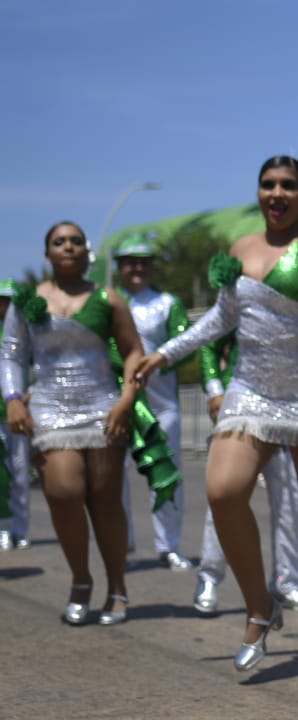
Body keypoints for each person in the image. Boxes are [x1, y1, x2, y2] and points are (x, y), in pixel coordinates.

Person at [134, 156, 298, 680]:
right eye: (267, 185)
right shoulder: (241, 249)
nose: (276, 193)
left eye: (287, 186)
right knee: (223, 490)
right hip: (250, 390)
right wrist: (163, 355)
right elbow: (222, 319)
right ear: (258, 192)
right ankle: (260, 608)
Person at [1, 222, 151, 625]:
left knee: (105, 502)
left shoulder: (109, 298)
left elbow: (134, 352)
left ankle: (117, 587)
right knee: (63, 491)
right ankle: (81, 579)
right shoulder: (26, 301)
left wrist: (126, 401)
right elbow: (12, 355)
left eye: (76, 242)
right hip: (49, 410)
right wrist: (14, 399)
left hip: (103, 409)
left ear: (88, 252)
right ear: (47, 253)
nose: (68, 247)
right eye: (59, 242)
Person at [192, 333, 298, 614]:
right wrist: (215, 390)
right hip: (241, 407)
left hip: (287, 408)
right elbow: (208, 346)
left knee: (290, 498)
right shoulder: (242, 291)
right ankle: (209, 578)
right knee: (226, 495)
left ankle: (286, 583)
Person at [112, 237, 194, 570]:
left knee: (167, 474)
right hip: (119, 404)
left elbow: (184, 341)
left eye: (143, 262)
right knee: (114, 479)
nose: (137, 268)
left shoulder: (166, 302)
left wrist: (156, 362)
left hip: (161, 405)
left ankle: (168, 545)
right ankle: (121, 545)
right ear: (119, 267)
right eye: (130, 262)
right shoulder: (109, 301)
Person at [0, 279, 33, 552]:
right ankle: (3, 528)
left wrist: (31, 391)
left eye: (9, 301)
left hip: (20, 414)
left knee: (21, 472)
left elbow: (42, 365)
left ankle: (20, 529)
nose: (5, 306)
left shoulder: (28, 331)